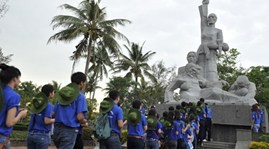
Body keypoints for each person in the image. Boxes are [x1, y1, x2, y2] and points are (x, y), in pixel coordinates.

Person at [53, 72, 88, 149]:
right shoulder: (80, 96)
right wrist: (84, 121)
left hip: (57, 130)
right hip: (69, 131)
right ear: (81, 83)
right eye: (84, 83)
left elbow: (52, 113)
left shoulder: (61, 95)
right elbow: (79, 117)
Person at [0, 64, 28, 149]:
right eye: (19, 78)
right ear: (14, 79)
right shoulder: (13, 96)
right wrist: (21, 114)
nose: (19, 81)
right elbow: (9, 122)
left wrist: (17, 110)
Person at [27, 84, 55, 149]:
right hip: (42, 134)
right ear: (50, 93)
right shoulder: (48, 105)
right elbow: (47, 121)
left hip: (31, 134)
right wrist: (57, 119)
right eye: (53, 92)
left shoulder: (36, 103)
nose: (54, 94)